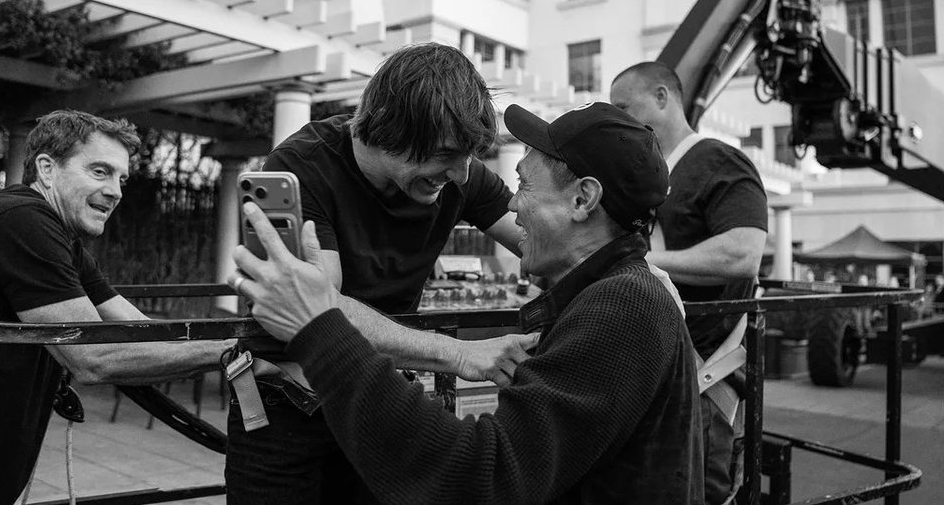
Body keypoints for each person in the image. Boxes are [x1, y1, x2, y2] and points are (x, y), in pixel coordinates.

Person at [229, 101, 704, 504]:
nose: (512, 206)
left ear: (583, 200)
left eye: (524, 186)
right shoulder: (624, 296)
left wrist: (320, 327)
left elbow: (480, 474)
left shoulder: (623, 305)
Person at [225, 42, 538, 504]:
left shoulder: (460, 171)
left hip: (374, 396)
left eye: (470, 155)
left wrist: (637, 271)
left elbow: (543, 245)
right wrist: (460, 354)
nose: (460, 173)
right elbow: (317, 311)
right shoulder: (302, 165)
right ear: (391, 128)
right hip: (285, 403)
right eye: (447, 155)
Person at [0, 110, 230, 505]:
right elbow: (93, 358)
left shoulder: (59, 238)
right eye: (99, 171)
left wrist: (237, 342)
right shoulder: (21, 219)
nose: (116, 191)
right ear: (47, 169)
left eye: (121, 178)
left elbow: (140, 328)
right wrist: (233, 353)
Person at [611, 61, 768, 503]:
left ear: (662, 97)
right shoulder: (648, 176)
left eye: (624, 107)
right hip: (658, 363)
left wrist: (642, 260)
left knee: (705, 488)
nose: (618, 120)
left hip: (706, 371)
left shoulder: (719, 161)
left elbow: (744, 253)